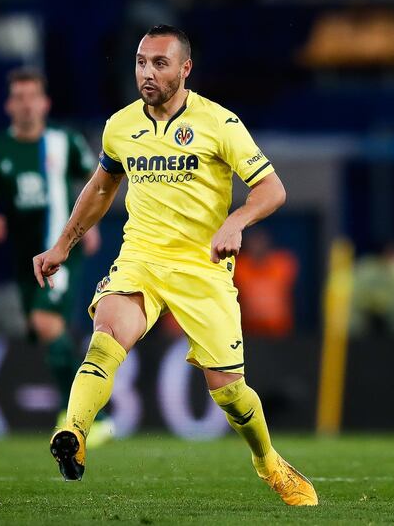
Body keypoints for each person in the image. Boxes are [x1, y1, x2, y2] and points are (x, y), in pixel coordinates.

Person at [34, 25, 317, 506]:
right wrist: (63, 244)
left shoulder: (219, 124)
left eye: (160, 63)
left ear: (185, 68)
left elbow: (272, 189)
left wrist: (237, 221)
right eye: (141, 62)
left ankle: (268, 461)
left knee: (228, 392)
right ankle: (75, 435)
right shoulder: (120, 126)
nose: (147, 72)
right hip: (141, 260)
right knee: (105, 339)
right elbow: (102, 188)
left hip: (202, 268)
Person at [0, 67, 114, 446]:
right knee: (45, 331)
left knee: (46, 323)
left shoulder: (64, 141)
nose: (27, 104)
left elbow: (95, 183)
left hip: (59, 247)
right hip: (23, 253)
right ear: (8, 104)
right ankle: (93, 401)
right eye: (19, 97)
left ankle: (81, 419)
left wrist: (91, 225)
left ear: (45, 102)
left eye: (33, 96)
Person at [234, 229, 299, 337]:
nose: (257, 247)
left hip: (280, 331)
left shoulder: (282, 264)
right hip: (249, 331)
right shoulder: (239, 267)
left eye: (260, 242)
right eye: (254, 243)